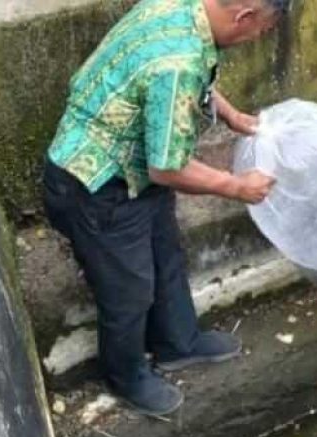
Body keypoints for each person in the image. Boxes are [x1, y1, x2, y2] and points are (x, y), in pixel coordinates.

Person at [42, 0, 288, 415]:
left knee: (165, 253)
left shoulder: (184, 7)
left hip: (133, 164)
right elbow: (168, 168)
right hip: (94, 183)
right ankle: (126, 377)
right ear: (243, 16)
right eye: (260, 31)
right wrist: (236, 186)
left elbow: (189, 87)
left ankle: (178, 342)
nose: (256, 39)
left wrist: (231, 115)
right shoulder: (179, 63)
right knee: (129, 291)